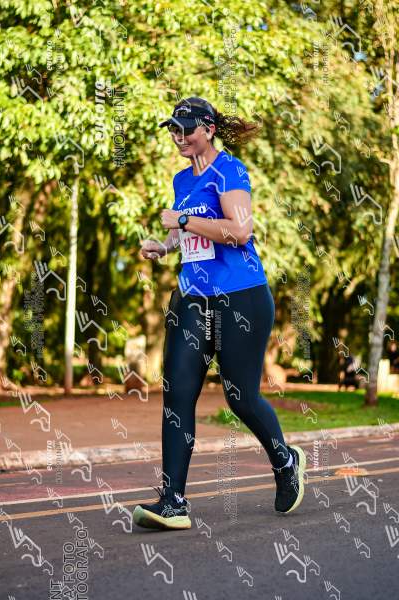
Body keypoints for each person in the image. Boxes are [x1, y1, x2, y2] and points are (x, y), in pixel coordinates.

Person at [133, 96, 306, 530]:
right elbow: (189, 233)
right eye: (173, 129)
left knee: (239, 396)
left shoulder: (230, 171)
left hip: (240, 296)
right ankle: (173, 502)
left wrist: (182, 222)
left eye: (186, 128)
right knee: (177, 392)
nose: (178, 136)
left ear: (208, 129)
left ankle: (285, 461)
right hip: (193, 297)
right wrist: (164, 246)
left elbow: (239, 231)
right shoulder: (181, 179)